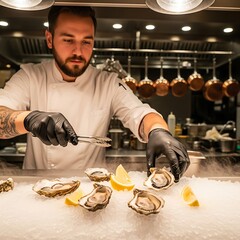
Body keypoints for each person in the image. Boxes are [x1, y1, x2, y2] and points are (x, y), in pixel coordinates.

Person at [0, 6, 189, 182]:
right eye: (68, 40)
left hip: (90, 187)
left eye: (86, 42)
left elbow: (139, 112)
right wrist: (28, 119)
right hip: (38, 188)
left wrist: (158, 130)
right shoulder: (30, 76)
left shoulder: (108, 82)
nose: (78, 51)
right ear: (49, 39)